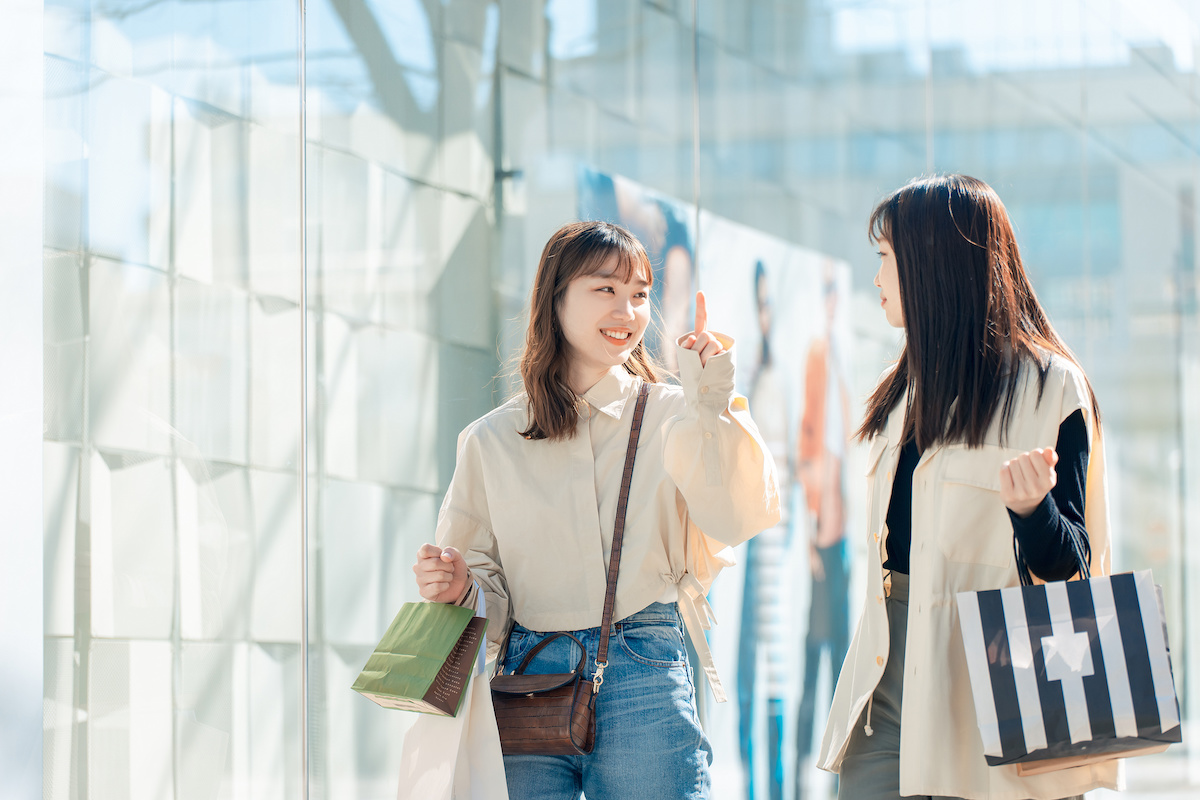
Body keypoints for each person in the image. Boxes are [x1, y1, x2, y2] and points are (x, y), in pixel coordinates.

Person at [412, 220, 780, 800]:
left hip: (643, 666)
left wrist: (712, 399)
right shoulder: (491, 440)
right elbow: (486, 581)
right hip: (529, 677)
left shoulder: (675, 414)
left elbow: (741, 512)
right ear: (555, 298)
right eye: (605, 289)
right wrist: (460, 584)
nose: (627, 311)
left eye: (639, 295)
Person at [816, 175, 1118, 800]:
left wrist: (1032, 511)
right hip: (888, 680)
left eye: (885, 259)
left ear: (931, 265)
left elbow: (1075, 571)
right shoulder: (901, 389)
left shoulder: (1050, 387)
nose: (876, 278)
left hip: (999, 683)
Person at [794, 262, 852, 799]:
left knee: (837, 656)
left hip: (841, 536)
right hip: (822, 537)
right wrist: (812, 532)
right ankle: (802, 777)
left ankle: (831, 777)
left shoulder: (837, 359)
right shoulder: (818, 356)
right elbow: (808, 447)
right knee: (817, 657)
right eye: (830, 292)